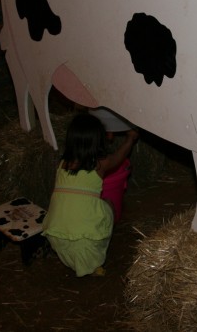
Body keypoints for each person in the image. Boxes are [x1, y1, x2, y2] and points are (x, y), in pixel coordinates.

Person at [42, 113, 139, 277]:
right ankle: (92, 265)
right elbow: (119, 156)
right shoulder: (100, 165)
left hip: (55, 231)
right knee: (108, 206)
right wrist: (130, 139)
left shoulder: (62, 164)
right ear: (97, 141)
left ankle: (74, 259)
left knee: (76, 214)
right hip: (84, 233)